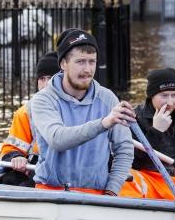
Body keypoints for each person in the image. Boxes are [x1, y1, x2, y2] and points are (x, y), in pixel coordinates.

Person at [28, 28, 138, 196]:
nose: (87, 69)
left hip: (95, 194)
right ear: (63, 64)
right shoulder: (43, 100)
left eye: (91, 61)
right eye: (80, 62)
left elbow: (124, 148)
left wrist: (112, 191)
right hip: (50, 192)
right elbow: (58, 139)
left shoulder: (108, 98)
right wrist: (103, 123)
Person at [0, 51, 60, 187]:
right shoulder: (25, 112)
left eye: (50, 78)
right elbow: (10, 148)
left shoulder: (78, 108)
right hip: (37, 170)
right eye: (42, 79)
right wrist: (16, 157)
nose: (46, 84)